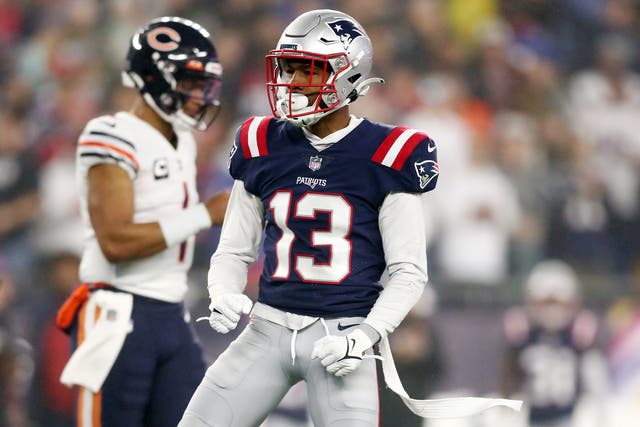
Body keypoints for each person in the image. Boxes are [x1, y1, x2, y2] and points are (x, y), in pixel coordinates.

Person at [179, 9, 520, 427]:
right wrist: (223, 290)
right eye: (286, 69)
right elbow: (234, 249)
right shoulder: (260, 142)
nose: (289, 83)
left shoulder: (388, 152)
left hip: (342, 338)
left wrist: (363, 337)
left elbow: (409, 272)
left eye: (304, 71)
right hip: (266, 329)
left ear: (347, 75)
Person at [55, 16, 229, 427]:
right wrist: (205, 214)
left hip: (171, 310)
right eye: (188, 82)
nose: (198, 95)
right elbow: (115, 240)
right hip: (117, 310)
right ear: (152, 78)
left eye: (202, 83)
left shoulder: (183, 140)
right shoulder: (111, 135)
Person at [500, 260, 608, 427]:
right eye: (545, 304)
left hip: (569, 418)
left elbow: (597, 379)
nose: (552, 311)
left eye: (558, 304)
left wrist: (601, 413)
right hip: (532, 418)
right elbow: (509, 376)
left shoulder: (579, 334)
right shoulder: (523, 333)